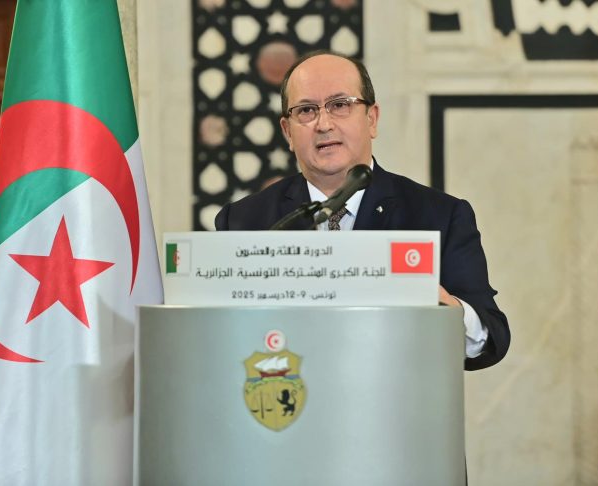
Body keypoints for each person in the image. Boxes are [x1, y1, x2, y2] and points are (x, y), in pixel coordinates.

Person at [215, 51, 509, 370]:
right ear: (287, 131)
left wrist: (446, 310)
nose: (323, 124)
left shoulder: (440, 215)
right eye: (307, 110)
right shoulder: (244, 221)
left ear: (371, 119)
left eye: (340, 105)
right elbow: (221, 337)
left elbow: (490, 338)